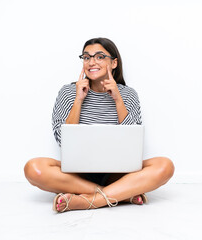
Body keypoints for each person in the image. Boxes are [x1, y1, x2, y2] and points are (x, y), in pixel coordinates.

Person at [24, 37, 175, 213]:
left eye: (100, 56)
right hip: (76, 174)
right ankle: (122, 195)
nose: (91, 62)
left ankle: (90, 200)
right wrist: (78, 100)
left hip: (118, 173)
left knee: (165, 166)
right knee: (33, 169)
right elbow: (63, 141)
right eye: (87, 57)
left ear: (114, 63)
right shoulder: (67, 92)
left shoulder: (128, 94)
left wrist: (118, 99)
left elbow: (132, 141)